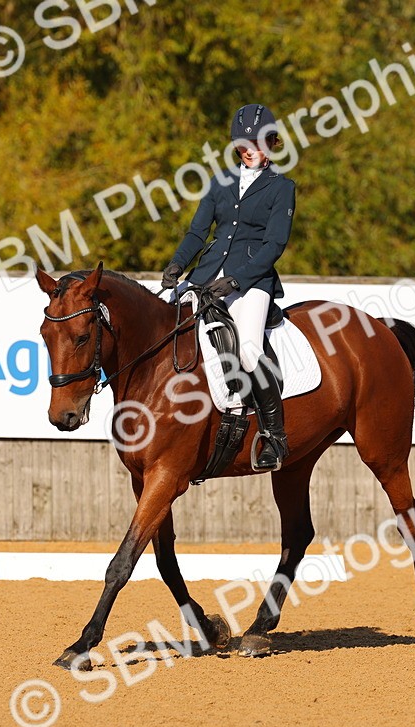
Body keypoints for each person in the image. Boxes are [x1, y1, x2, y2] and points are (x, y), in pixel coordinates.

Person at [163, 103, 296, 472]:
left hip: (252, 282)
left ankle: (275, 437)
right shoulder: (219, 181)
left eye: (258, 142)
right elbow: (197, 233)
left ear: (271, 142)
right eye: (243, 144)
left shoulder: (282, 187)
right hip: (207, 275)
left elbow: (274, 244)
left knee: (250, 350)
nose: (249, 150)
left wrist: (238, 279)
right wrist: (177, 264)